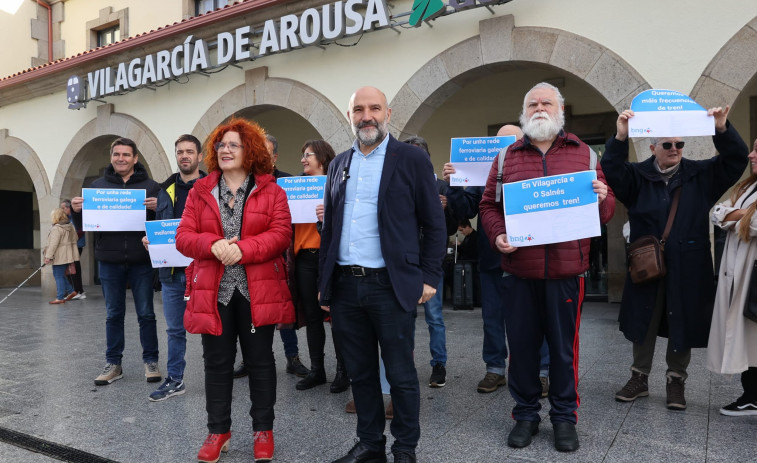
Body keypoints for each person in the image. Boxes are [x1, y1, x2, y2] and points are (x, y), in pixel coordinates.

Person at [479, 83, 615, 452]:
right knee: (521, 348)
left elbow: (606, 211)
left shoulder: (584, 154)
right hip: (518, 271)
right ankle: (525, 415)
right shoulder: (507, 158)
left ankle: (563, 418)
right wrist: (497, 236)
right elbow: (488, 206)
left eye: (546, 102)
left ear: (560, 109)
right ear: (524, 111)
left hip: (567, 274)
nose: (539, 108)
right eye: (533, 103)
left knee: (562, 351)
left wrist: (603, 198)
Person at [319, 86, 446, 463]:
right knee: (360, 374)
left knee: (401, 374)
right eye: (358, 109)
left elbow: (434, 224)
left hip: (390, 285)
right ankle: (370, 444)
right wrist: (324, 285)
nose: (366, 116)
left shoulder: (409, 159)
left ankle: (404, 448)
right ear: (349, 116)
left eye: (374, 108)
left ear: (388, 113)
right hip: (345, 285)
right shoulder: (338, 164)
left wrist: (429, 276)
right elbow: (330, 229)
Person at [602, 106, 748, 411]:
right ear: (653, 148)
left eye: (679, 144)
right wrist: (620, 135)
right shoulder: (636, 175)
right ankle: (639, 377)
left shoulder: (701, 174)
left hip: (689, 263)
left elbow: (735, 160)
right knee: (644, 317)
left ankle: (676, 380)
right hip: (646, 262)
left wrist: (721, 128)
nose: (674, 150)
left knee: (681, 319)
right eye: (667, 145)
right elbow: (612, 168)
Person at [176, 118, 294, 463]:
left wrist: (244, 249)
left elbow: (280, 234)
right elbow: (183, 236)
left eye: (233, 145)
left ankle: (263, 430)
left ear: (251, 151)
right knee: (216, 363)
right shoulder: (200, 192)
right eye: (221, 145)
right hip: (213, 292)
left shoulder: (272, 190)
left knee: (260, 361)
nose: (225, 150)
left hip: (258, 291)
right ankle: (218, 430)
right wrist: (214, 244)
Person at [71, 137, 162, 386]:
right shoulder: (97, 187)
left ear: (135, 158)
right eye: (117, 154)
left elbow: (164, 223)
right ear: (111, 157)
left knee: (146, 313)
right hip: (109, 261)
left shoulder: (151, 187)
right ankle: (113, 364)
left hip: (141, 261)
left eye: (126, 154)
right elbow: (83, 228)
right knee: (113, 314)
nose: (121, 158)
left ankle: (151, 361)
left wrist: (159, 208)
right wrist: (76, 212)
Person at [234, 134, 310, 380]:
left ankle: (292, 357)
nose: (259, 156)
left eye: (265, 152)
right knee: (249, 311)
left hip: (283, 256)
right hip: (251, 256)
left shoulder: (288, 183)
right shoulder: (241, 183)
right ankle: (249, 359)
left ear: (275, 157)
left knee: (283, 309)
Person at [141, 134, 206, 402]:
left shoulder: (213, 187)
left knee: (213, 328)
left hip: (204, 271)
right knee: (174, 330)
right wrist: (151, 241)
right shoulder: (166, 190)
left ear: (199, 156)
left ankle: (218, 379)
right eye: (180, 152)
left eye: (190, 151)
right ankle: (175, 379)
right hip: (171, 272)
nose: (184, 156)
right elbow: (162, 227)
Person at [291, 139, 349, 393]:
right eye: (302, 155)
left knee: (336, 317)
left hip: (331, 259)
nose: (303, 159)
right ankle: (317, 370)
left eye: (309, 155)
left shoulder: (338, 185)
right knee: (312, 317)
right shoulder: (294, 187)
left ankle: (343, 371)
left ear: (323, 158)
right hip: (304, 258)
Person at [403, 135, 458, 388]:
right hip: (405, 261)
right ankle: (406, 363)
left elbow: (452, 226)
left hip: (430, 261)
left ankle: (439, 364)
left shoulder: (440, 186)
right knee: (406, 317)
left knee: (434, 316)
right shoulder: (400, 185)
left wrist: (447, 208)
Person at [709, 137, 757, 416]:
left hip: (752, 276)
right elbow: (717, 213)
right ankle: (751, 394)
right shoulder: (747, 185)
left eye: (756, 150)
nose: (751, 155)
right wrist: (744, 214)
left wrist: (735, 215)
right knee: (746, 338)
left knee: (751, 335)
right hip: (739, 274)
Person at [43, 207, 79, 304]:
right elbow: (75, 238)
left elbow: (53, 244)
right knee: (59, 275)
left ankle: (60, 297)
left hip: (59, 255)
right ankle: (71, 291)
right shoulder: (70, 226)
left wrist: (48, 257)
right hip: (68, 255)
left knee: (58, 275)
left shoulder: (57, 228)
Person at [60, 199, 86, 299]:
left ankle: (77, 291)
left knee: (73, 269)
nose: (62, 210)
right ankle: (78, 291)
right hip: (72, 246)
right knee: (73, 268)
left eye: (63, 208)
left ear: (68, 207)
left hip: (76, 245)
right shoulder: (67, 218)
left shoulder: (75, 217)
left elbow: (79, 231)